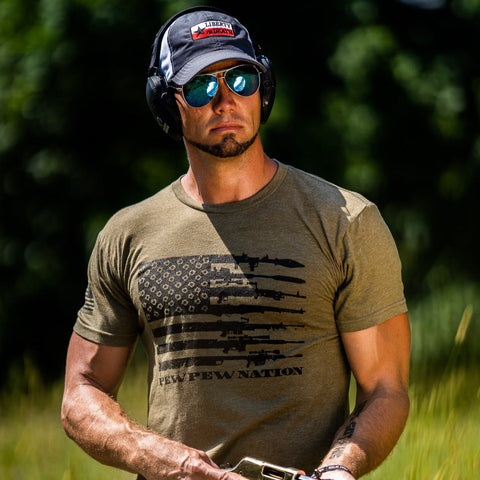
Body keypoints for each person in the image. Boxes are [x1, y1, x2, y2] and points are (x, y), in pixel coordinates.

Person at [61, 7, 410, 480]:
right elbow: (81, 392)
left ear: (264, 90)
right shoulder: (126, 235)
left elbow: (386, 388)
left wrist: (338, 471)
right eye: (201, 87)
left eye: (242, 80)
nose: (226, 101)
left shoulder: (346, 221)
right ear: (167, 104)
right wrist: (169, 462)